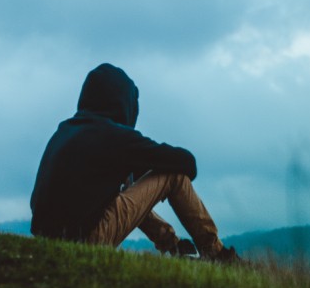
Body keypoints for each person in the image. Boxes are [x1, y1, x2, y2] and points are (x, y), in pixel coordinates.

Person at [30, 62, 243, 264]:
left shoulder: (65, 130)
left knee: (125, 186)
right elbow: (185, 162)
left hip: (46, 239)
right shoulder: (114, 136)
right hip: (86, 239)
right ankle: (216, 253)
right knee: (173, 175)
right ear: (124, 102)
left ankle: (174, 246)